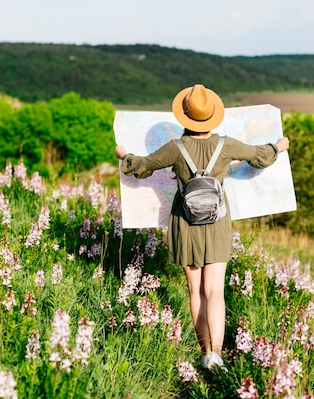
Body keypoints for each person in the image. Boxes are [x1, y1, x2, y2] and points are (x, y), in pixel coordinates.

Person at [115, 84, 289, 370]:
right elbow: (260, 157)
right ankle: (217, 355)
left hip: (185, 224)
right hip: (217, 224)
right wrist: (278, 147)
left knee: (195, 291)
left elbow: (142, 166)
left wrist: (124, 155)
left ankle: (204, 350)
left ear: (185, 117)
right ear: (212, 117)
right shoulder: (226, 145)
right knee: (215, 292)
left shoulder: (175, 148)